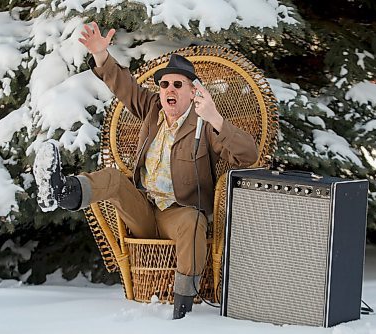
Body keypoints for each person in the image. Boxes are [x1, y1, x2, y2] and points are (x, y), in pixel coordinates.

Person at [33, 22, 258, 319]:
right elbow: (123, 86)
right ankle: (62, 192)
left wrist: (215, 117)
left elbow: (249, 155)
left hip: (178, 213)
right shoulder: (152, 108)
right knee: (113, 178)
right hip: (142, 207)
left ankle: (182, 305)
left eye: (178, 85)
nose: (169, 90)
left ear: (193, 92)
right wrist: (102, 56)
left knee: (192, 221)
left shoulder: (205, 125)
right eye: (165, 84)